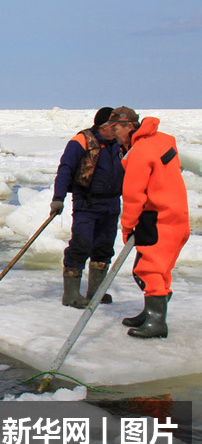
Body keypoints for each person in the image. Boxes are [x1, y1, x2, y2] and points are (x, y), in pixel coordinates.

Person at [103, 106, 190, 338]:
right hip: (177, 216)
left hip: (157, 218)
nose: (113, 134)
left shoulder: (140, 152)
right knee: (162, 271)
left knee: (147, 270)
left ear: (130, 126)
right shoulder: (162, 140)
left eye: (116, 128)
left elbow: (134, 194)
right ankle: (150, 313)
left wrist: (128, 225)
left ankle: (156, 322)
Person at [51, 107, 125, 308]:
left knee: (104, 247)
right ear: (102, 126)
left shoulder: (120, 144)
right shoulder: (81, 141)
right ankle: (71, 294)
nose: (116, 130)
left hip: (111, 203)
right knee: (81, 245)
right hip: (87, 202)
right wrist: (58, 198)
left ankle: (96, 292)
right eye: (112, 126)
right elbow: (66, 169)